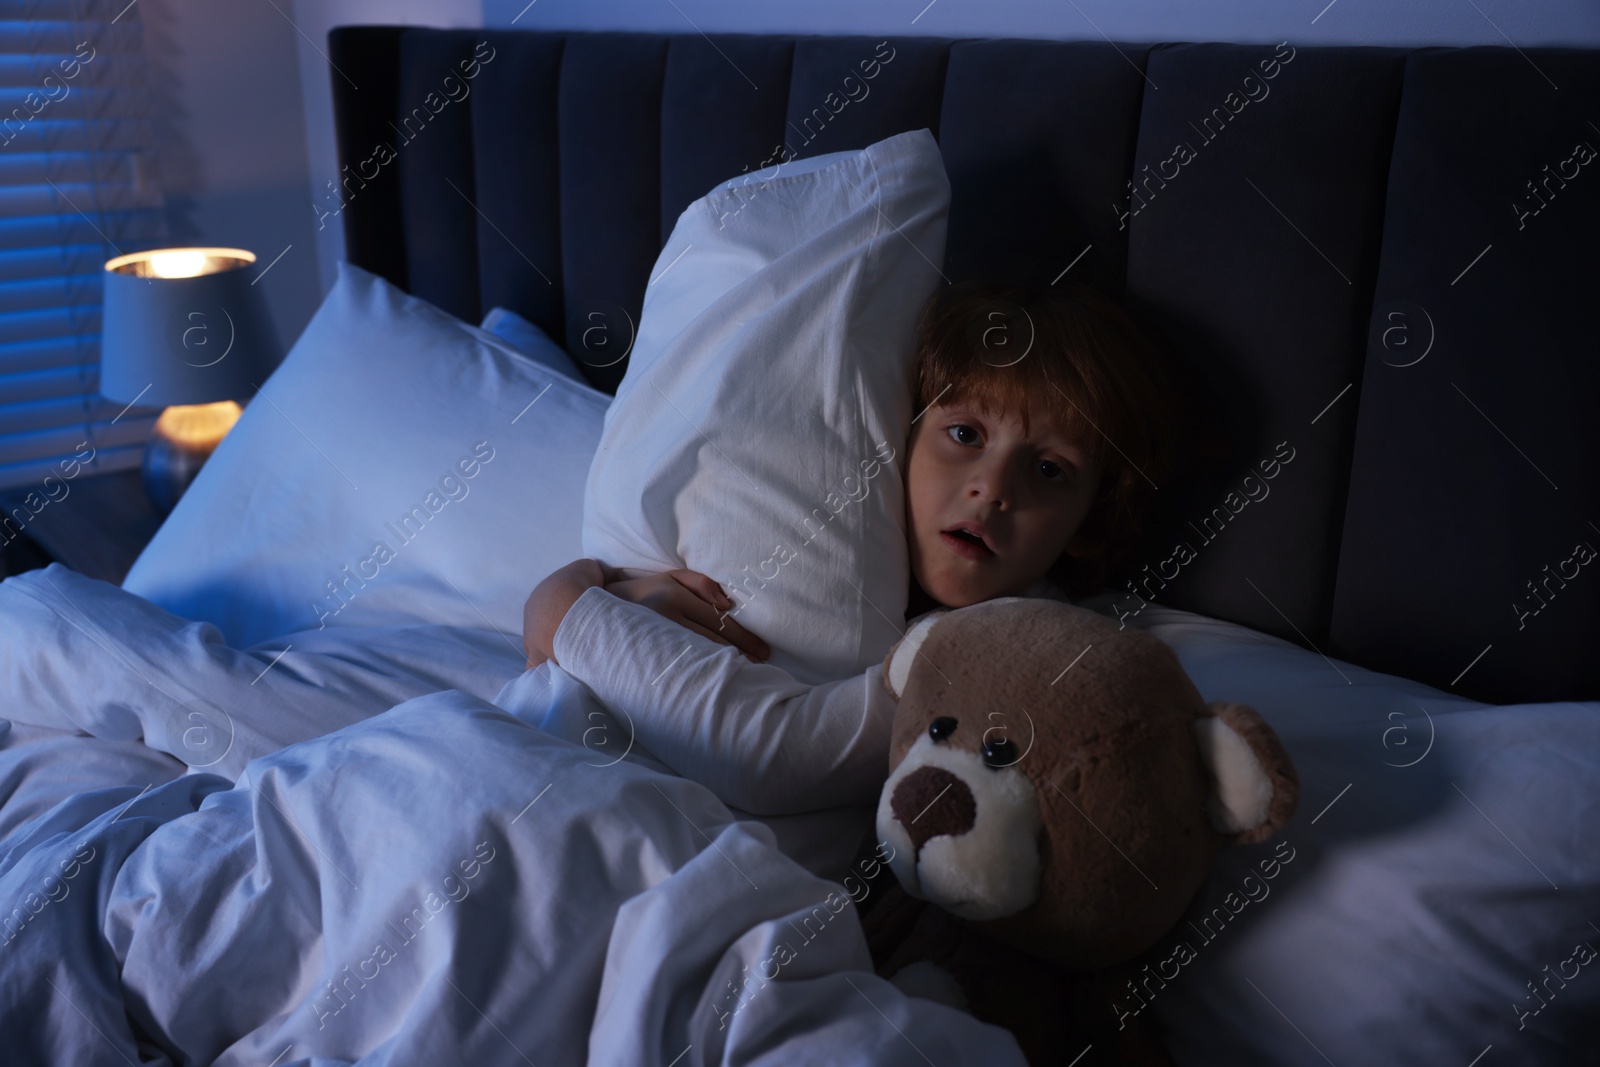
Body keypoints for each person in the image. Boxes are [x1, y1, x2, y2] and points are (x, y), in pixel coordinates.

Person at [520, 278, 1184, 822]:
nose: (991, 488)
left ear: (1089, 520)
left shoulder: (1001, 642)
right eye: (964, 432)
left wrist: (563, 607)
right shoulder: (826, 545)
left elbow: (771, 761)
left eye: (1049, 471)